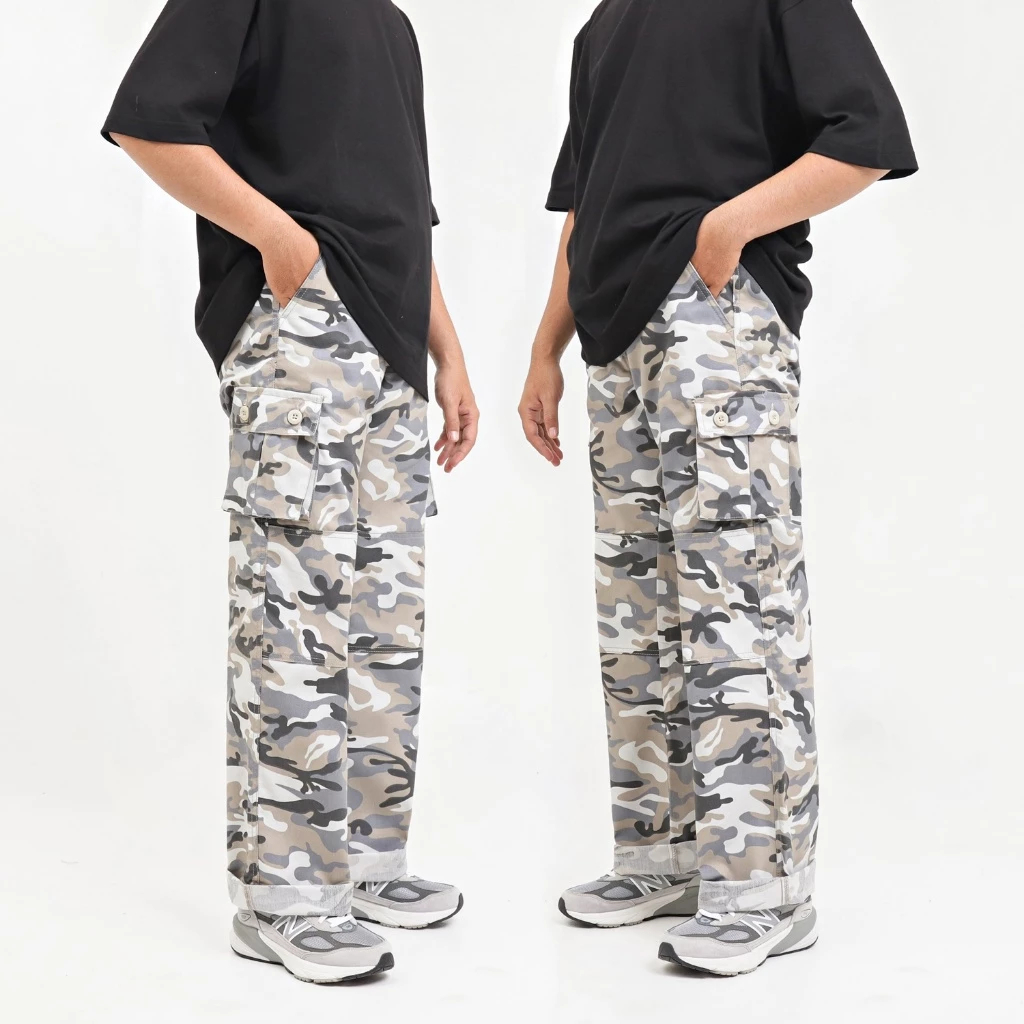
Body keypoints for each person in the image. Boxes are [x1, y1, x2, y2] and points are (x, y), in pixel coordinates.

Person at [519, 0, 916, 976]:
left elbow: (864, 137)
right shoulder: (603, 26)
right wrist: (544, 347)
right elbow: (585, 203)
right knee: (641, 611)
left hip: (718, 316)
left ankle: (765, 888)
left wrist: (729, 226)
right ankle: (663, 854)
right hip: (613, 336)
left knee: (740, 601)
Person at [102, 0, 479, 984]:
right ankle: (286, 894)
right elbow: (149, 122)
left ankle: (366, 861)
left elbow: (408, 213)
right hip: (299, 332)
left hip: (394, 349)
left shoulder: (393, 25)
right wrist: (280, 240)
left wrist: (446, 350)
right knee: (294, 617)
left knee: (384, 621)